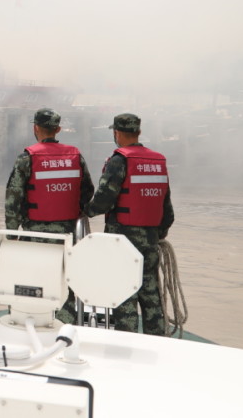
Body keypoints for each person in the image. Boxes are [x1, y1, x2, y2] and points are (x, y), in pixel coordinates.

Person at [86, 113, 174, 336]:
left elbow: (104, 199)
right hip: (151, 239)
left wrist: (85, 211)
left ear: (116, 133)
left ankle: (127, 340)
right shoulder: (157, 160)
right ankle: (158, 339)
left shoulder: (119, 161)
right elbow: (167, 208)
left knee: (124, 292)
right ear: (138, 132)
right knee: (151, 293)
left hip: (122, 240)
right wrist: (157, 233)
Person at [4, 107, 94, 324]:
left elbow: (13, 198)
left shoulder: (27, 158)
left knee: (33, 279)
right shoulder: (75, 156)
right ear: (58, 129)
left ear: (36, 128)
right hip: (68, 232)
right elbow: (88, 190)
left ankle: (36, 320)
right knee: (69, 278)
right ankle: (65, 321)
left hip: (35, 233)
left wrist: (12, 232)